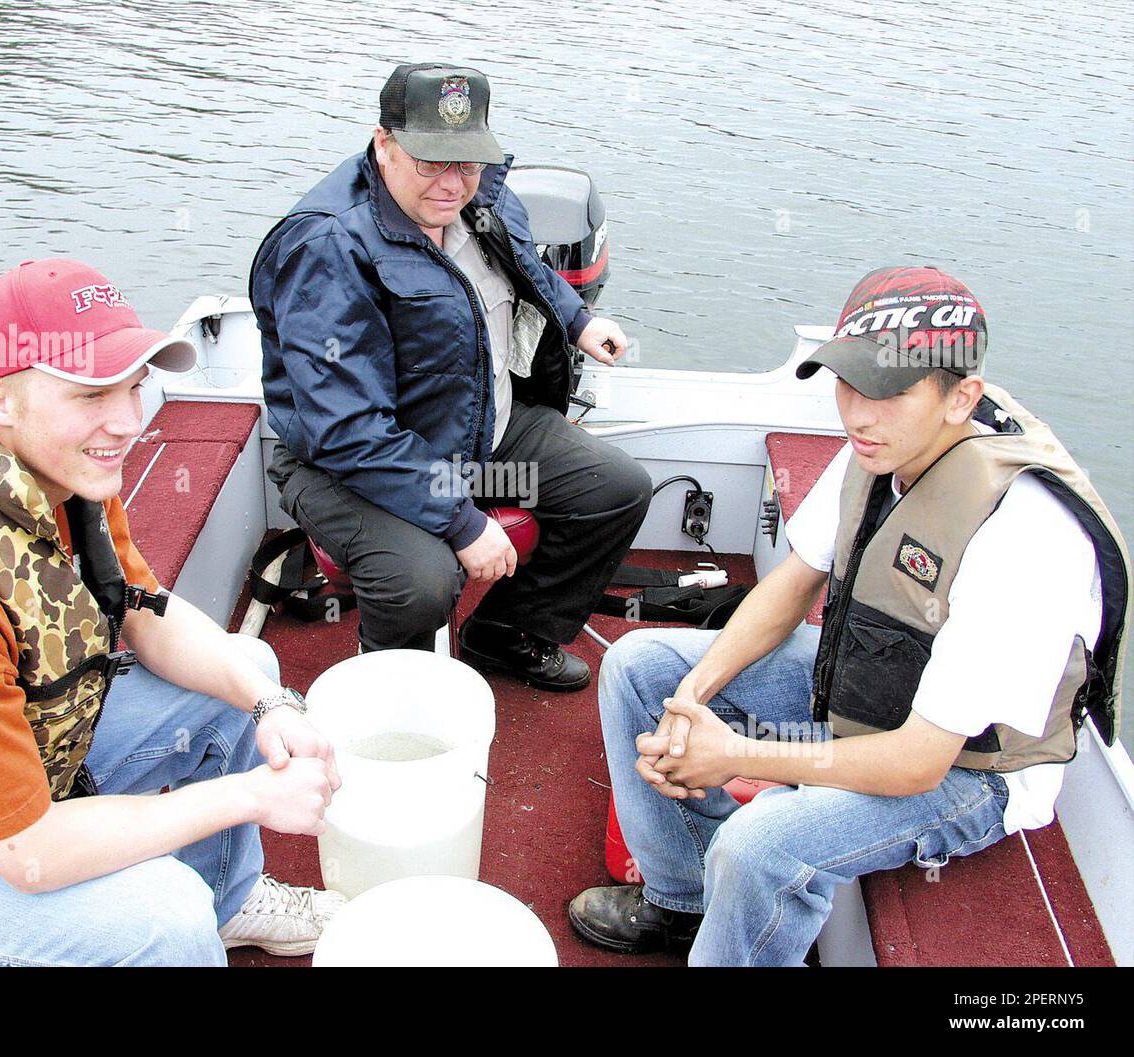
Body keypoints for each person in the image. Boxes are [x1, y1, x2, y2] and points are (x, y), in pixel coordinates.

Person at [569, 265, 1130, 966]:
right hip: (872, 685)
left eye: (890, 390)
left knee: (762, 843)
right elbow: (792, 582)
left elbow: (922, 761)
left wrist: (732, 755)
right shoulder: (882, 444)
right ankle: (683, 900)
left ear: (963, 398)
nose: (859, 412)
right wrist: (691, 702)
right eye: (850, 383)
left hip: (967, 769)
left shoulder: (1023, 537)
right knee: (636, 667)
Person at [0, 258, 346, 967]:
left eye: (135, 386)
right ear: (0, 399)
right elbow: (28, 854)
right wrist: (251, 795)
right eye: (91, 394)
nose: (129, 421)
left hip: (15, 767)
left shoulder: (56, 461)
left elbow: (143, 611)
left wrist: (272, 703)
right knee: (161, 916)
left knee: (247, 669)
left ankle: (225, 902)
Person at [250, 63, 653, 691]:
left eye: (466, 162)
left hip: (472, 429)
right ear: (384, 143)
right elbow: (346, 431)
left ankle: (506, 631)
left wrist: (575, 317)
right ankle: (386, 692)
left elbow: (521, 263)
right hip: (349, 465)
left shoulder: (481, 191)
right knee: (422, 582)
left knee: (617, 489)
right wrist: (463, 522)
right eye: (431, 161)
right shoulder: (327, 248)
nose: (451, 183)